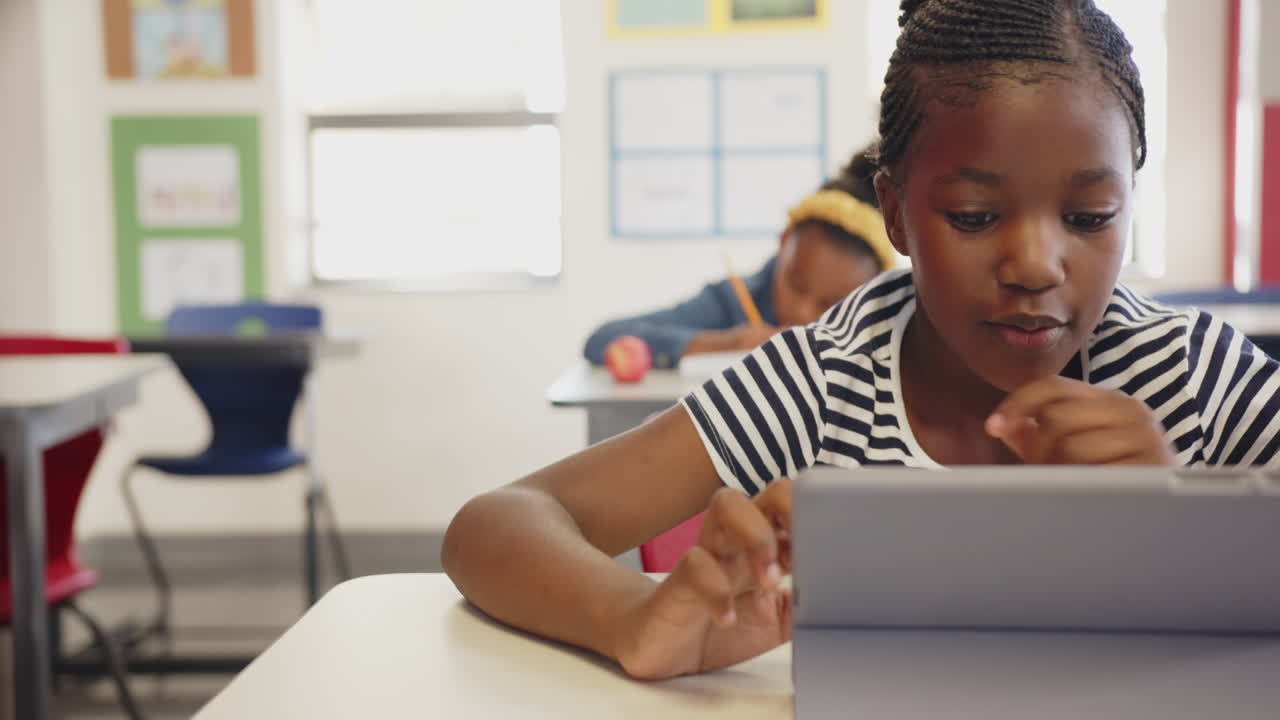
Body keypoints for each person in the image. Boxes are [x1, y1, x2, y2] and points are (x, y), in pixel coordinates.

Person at [443, 0, 1280, 682]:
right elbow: (497, 523)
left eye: (1090, 217)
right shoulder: (825, 379)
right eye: (976, 216)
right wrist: (633, 619)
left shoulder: (1183, 373)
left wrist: (1190, 548)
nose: (1035, 264)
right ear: (894, 214)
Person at [583, 149, 894, 369]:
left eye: (829, 304)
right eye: (796, 284)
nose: (802, 313)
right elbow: (602, 339)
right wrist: (728, 343)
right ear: (784, 242)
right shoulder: (733, 301)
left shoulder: (888, 324)